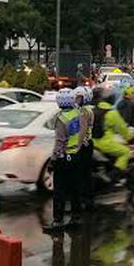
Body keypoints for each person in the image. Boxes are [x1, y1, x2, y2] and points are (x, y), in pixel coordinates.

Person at [48, 89, 86, 229]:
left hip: (64, 158)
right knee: (75, 189)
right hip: (77, 155)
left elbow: (60, 142)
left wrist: (53, 159)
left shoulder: (61, 119)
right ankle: (76, 218)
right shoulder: (78, 113)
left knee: (60, 191)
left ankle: (58, 221)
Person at [91, 87, 133, 174]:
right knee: (126, 152)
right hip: (105, 144)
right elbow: (122, 129)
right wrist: (130, 138)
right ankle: (114, 176)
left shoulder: (93, 111)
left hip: (91, 143)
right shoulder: (112, 113)